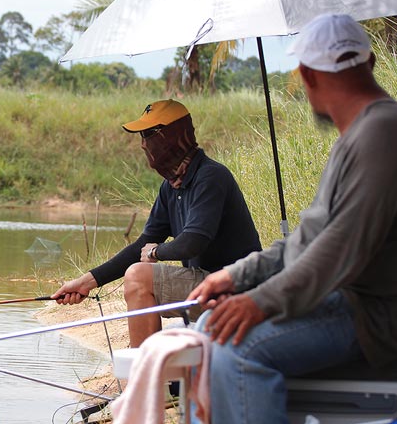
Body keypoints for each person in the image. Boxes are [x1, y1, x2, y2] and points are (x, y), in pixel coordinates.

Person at [188, 13, 397, 424]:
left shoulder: (386, 130)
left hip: (378, 315)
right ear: (369, 61)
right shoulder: (359, 136)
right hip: (350, 301)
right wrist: (235, 276)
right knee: (207, 326)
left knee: (237, 348)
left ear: (307, 77)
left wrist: (260, 304)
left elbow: (341, 248)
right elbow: (306, 239)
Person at [52, 99, 261, 347]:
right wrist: (86, 282)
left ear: (172, 136)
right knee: (138, 271)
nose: (143, 144)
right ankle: (150, 370)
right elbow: (142, 243)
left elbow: (192, 242)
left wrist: (155, 252)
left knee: (139, 276)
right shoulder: (171, 186)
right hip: (206, 285)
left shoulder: (211, 177)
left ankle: (143, 375)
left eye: (149, 135)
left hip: (237, 287)